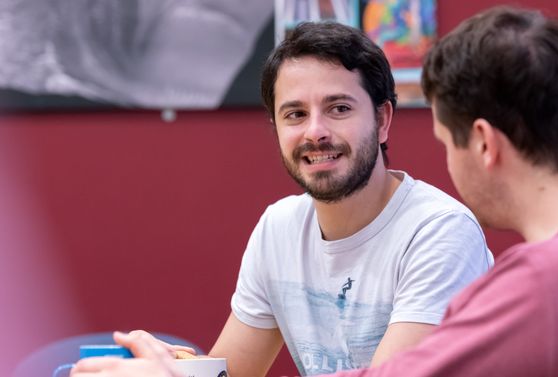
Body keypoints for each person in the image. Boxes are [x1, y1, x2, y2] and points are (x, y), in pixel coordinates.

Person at [71, 5, 558, 377]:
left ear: (485, 145)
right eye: (292, 114)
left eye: (445, 140)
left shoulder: (555, 281)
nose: (315, 132)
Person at [70, 20, 492, 377]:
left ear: (382, 121)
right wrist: (170, 367)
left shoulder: (440, 232)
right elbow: (233, 372)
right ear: (275, 128)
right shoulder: (280, 228)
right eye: (295, 114)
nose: (315, 132)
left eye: (339, 108)